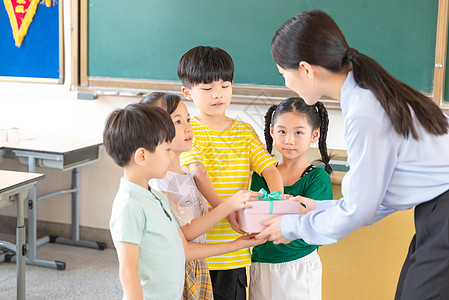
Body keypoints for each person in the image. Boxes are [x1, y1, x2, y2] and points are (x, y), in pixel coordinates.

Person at [255, 10, 449, 300]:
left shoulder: (365, 112)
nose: (286, 84)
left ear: (306, 70)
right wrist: (315, 209)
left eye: (284, 74)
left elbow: (360, 210)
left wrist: (292, 226)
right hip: (434, 212)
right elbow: (372, 202)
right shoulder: (367, 93)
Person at [104, 103, 265, 300]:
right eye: (166, 150)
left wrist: (238, 244)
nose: (172, 155)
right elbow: (129, 275)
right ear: (142, 156)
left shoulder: (156, 197)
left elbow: (184, 249)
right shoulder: (129, 205)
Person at [177, 46, 284, 300]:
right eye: (207, 88)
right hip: (200, 250)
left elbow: (270, 169)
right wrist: (226, 209)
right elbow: (197, 171)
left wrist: (275, 203)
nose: (218, 94)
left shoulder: (245, 132)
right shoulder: (188, 129)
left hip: (235, 251)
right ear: (187, 92)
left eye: (225, 86)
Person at [249, 97, 333, 300]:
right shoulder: (261, 176)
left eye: (298, 132)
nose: (288, 140)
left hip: (299, 266)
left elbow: (315, 227)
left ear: (314, 135)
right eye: (282, 131)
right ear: (271, 131)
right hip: (261, 264)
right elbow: (254, 223)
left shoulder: (316, 177)